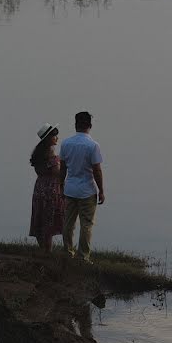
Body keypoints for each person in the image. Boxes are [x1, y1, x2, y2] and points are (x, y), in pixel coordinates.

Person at [59, 111, 104, 262]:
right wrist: (102, 190)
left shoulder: (66, 143)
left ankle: (67, 252)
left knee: (68, 223)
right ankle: (83, 256)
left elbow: (63, 168)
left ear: (75, 124)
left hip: (70, 188)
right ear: (90, 126)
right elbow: (97, 170)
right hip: (87, 190)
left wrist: (61, 185)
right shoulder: (93, 145)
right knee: (87, 224)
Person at [29, 123, 65, 253]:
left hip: (40, 187)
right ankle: (48, 252)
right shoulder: (50, 153)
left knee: (40, 218)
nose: (57, 138)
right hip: (51, 189)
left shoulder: (38, 153)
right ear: (49, 138)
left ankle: (42, 249)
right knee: (49, 221)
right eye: (54, 135)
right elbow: (57, 173)